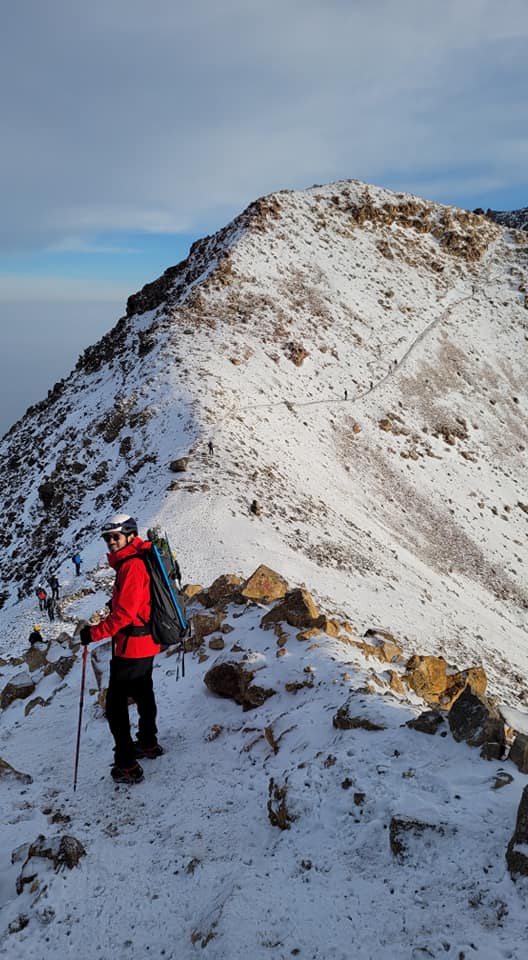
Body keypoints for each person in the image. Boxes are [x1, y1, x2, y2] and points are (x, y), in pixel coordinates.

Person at [79, 514, 163, 785]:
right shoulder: (135, 560)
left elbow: (124, 615)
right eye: (107, 538)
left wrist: (93, 633)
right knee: (143, 691)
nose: (111, 542)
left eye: (116, 536)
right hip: (146, 642)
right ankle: (148, 743)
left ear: (130, 535)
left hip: (131, 647)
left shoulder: (132, 566)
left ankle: (127, 764)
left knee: (115, 706)